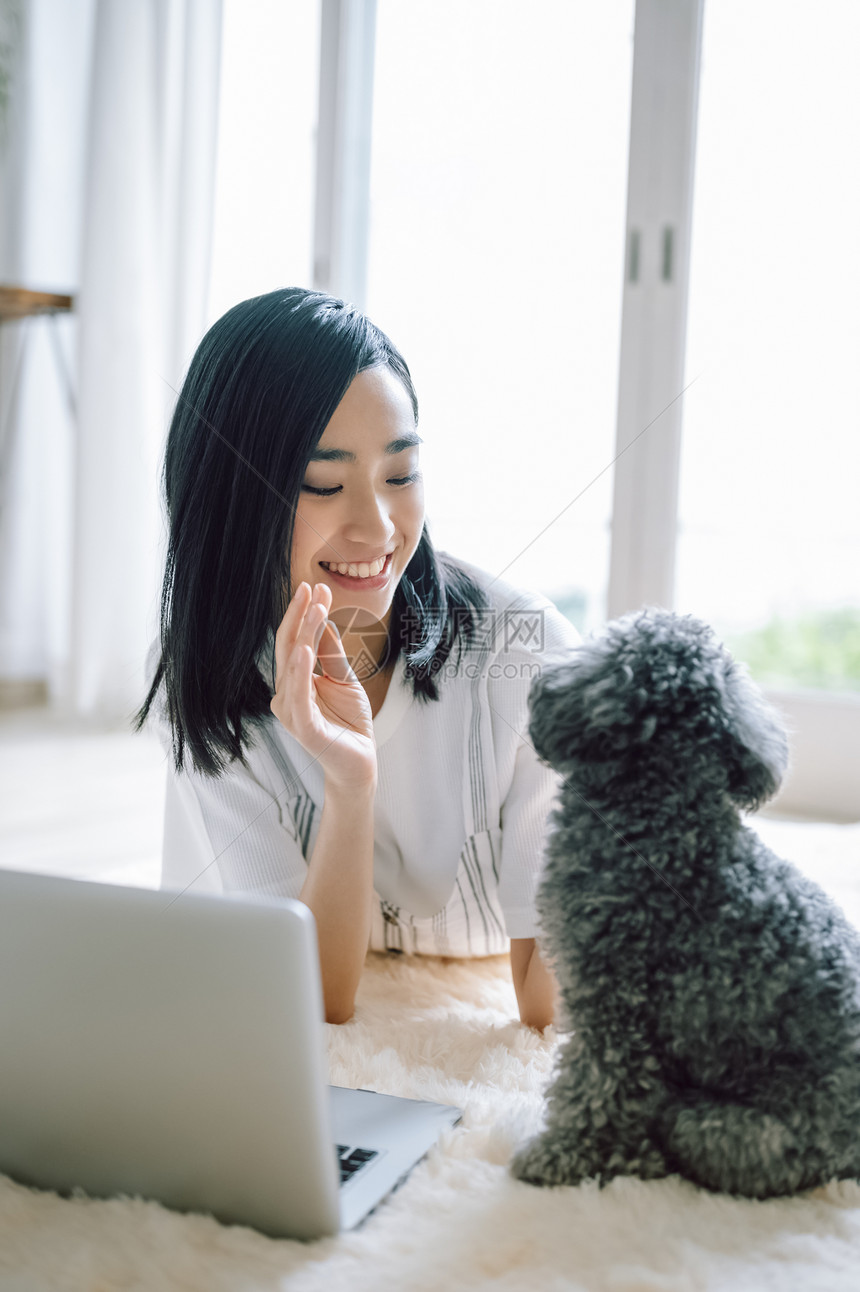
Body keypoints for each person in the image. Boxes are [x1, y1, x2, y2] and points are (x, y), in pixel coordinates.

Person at [136, 287, 581, 1029]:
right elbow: (311, 1001)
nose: (377, 527)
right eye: (324, 484)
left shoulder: (525, 649)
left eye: (401, 476)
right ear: (233, 497)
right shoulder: (205, 669)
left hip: (478, 946)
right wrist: (350, 783)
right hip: (261, 936)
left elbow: (550, 1002)